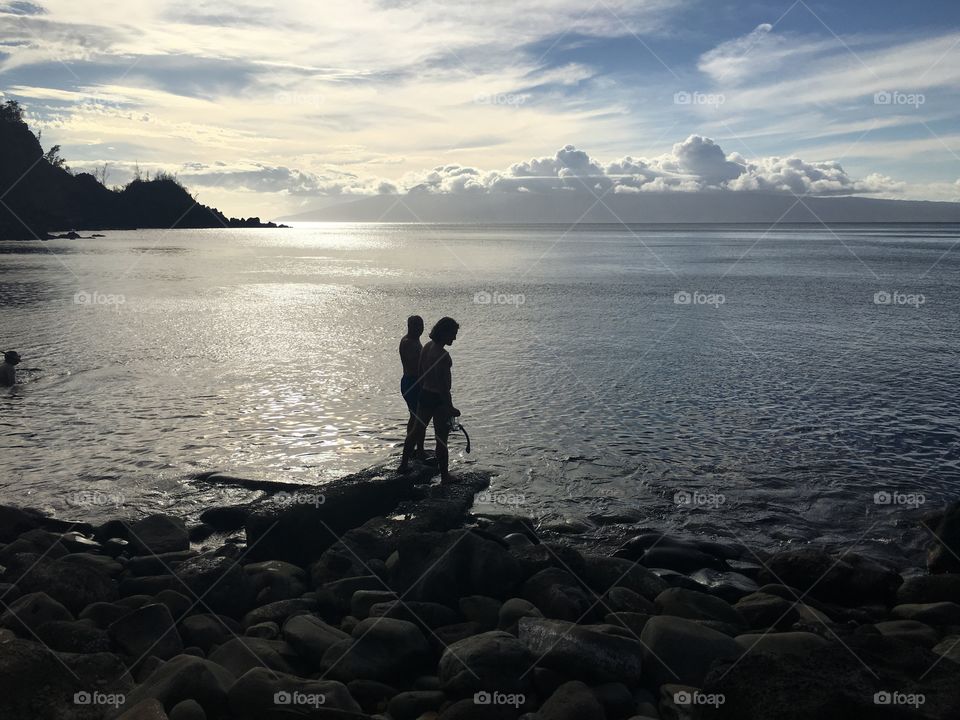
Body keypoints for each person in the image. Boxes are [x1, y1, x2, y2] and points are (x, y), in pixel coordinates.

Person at [399, 317, 460, 483]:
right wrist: (450, 407)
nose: (454, 338)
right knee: (441, 439)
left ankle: (403, 464)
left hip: (424, 394)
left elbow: (420, 372)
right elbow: (444, 387)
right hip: (439, 400)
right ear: (444, 333)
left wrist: (424, 389)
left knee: (416, 430)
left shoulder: (426, 347)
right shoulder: (444, 356)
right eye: (453, 334)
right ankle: (445, 476)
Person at [399, 315, 425, 459]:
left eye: (421, 326)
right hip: (412, 383)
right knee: (419, 418)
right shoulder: (409, 342)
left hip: (412, 382)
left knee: (414, 417)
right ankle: (418, 450)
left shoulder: (414, 340)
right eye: (416, 326)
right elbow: (416, 366)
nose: (420, 329)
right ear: (410, 326)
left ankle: (416, 448)